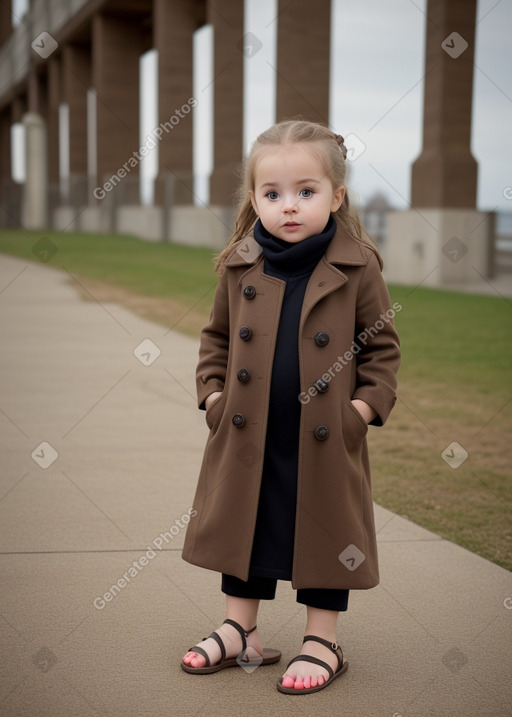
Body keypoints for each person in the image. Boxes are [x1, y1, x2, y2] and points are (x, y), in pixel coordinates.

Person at [181, 119, 401, 694]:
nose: (289, 206)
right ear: (253, 199)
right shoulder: (240, 262)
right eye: (272, 194)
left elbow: (381, 349)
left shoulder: (358, 267)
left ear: (337, 195)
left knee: (325, 526)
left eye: (307, 191)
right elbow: (216, 339)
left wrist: (361, 412)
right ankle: (240, 629)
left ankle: (322, 637)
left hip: (325, 434)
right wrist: (212, 396)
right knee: (246, 521)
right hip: (247, 429)